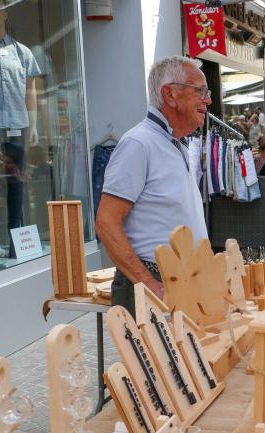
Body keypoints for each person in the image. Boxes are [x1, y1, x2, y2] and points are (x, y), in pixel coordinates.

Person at [96, 56, 211, 315]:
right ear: (170, 94)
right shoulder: (139, 143)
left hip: (181, 279)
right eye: (200, 91)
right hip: (154, 281)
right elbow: (105, 222)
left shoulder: (176, 142)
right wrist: (149, 284)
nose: (208, 101)